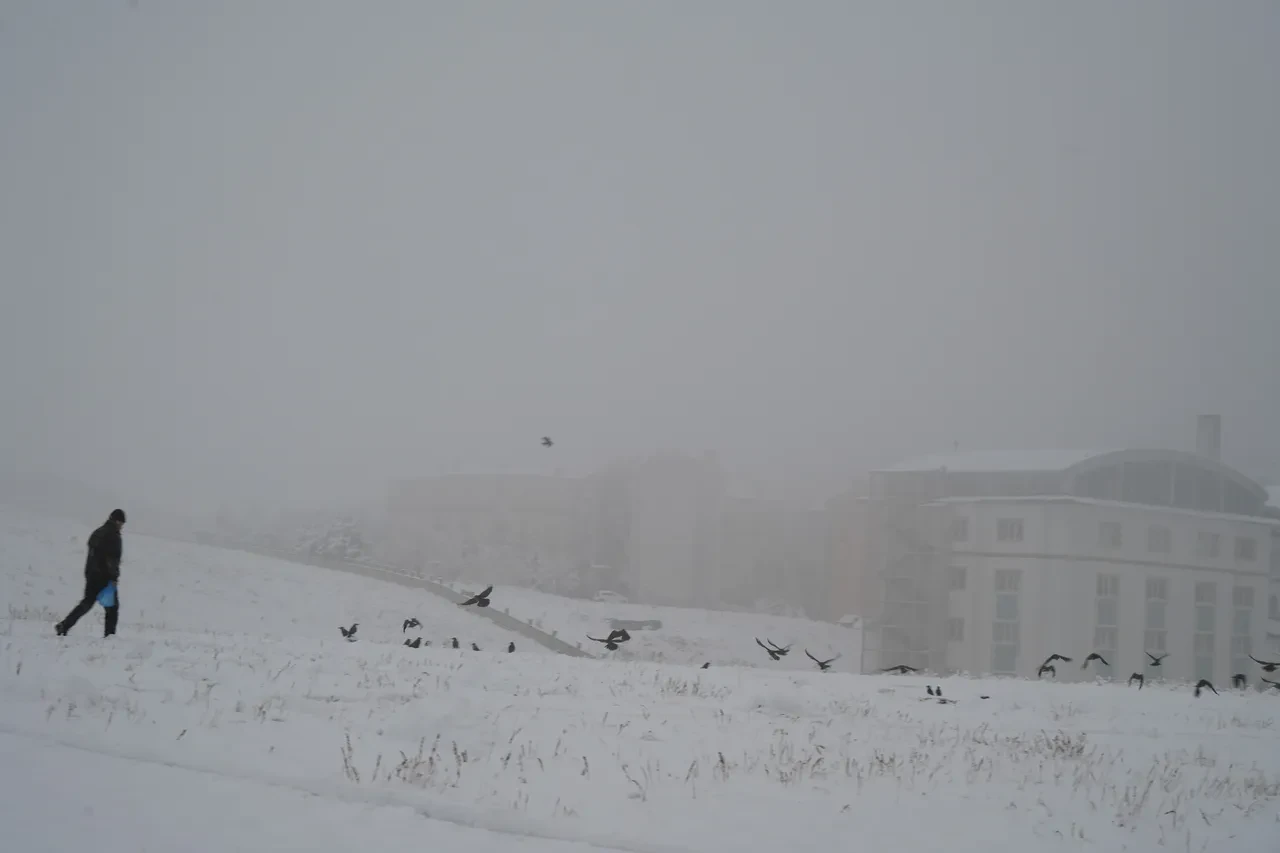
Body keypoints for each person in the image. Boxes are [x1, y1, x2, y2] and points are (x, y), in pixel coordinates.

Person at [55, 509, 126, 638]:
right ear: (117, 521)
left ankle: (64, 625)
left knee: (87, 602)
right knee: (112, 608)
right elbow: (112, 560)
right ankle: (110, 636)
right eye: (121, 523)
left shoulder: (97, 532)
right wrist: (114, 577)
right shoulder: (113, 536)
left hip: (91, 574)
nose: (121, 526)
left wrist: (90, 573)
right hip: (105, 577)